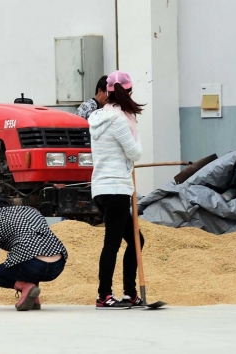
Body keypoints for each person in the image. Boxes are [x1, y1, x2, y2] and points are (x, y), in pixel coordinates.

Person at [88, 70, 145, 310]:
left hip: (102, 188)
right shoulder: (120, 120)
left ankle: (129, 293)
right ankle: (104, 295)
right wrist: (135, 131)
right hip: (116, 188)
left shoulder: (99, 118)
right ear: (127, 92)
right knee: (112, 243)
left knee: (136, 240)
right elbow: (135, 153)